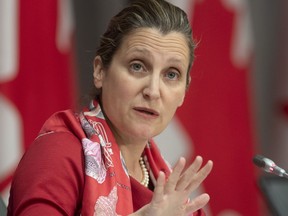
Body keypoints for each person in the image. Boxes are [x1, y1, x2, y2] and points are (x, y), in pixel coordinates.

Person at [7, 0, 213, 215]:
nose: (153, 91)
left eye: (171, 74)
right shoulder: (58, 154)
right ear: (100, 71)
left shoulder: (171, 193)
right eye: (137, 66)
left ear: (184, 92)